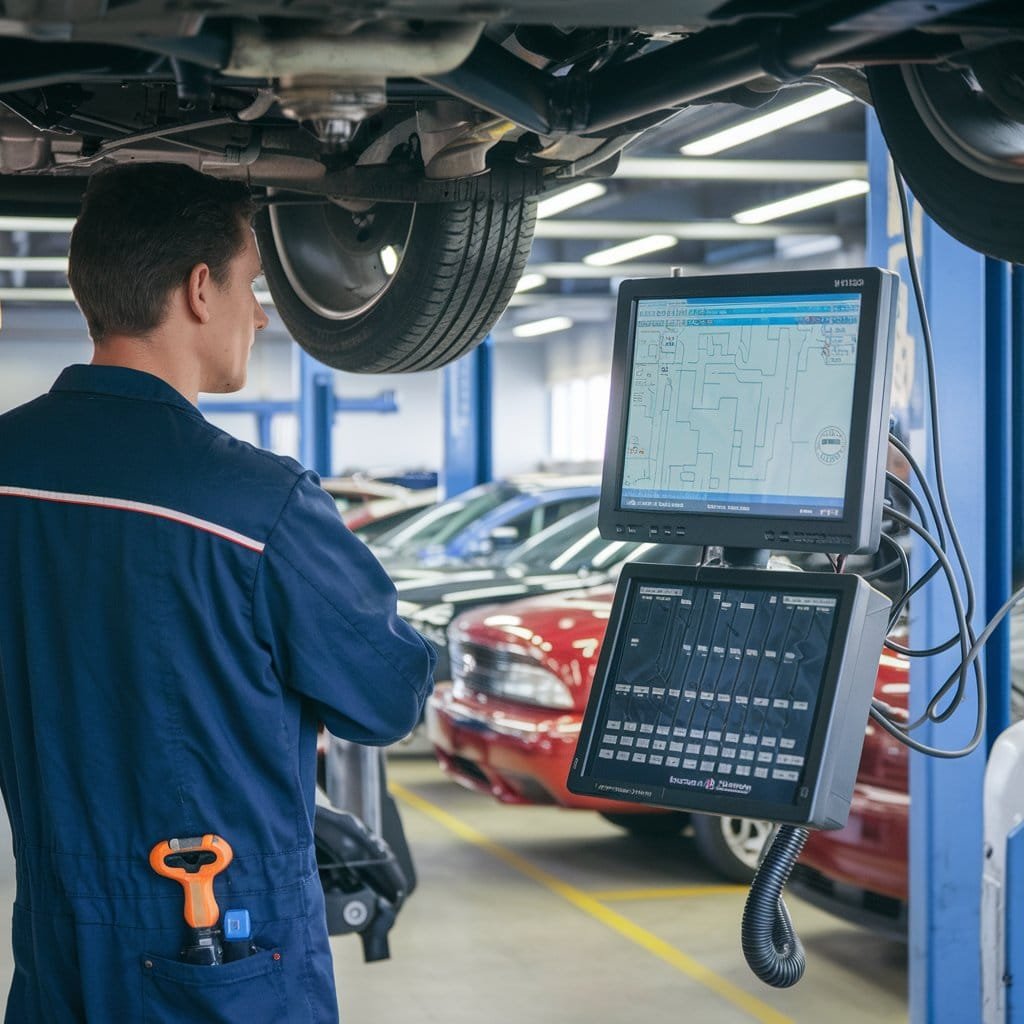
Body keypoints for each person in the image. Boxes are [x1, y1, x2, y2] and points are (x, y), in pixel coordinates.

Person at [0, 163, 436, 1022]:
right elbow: (386, 700)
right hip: (221, 951)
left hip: (54, 948)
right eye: (253, 284)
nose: (262, 313)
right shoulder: (259, 504)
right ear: (201, 289)